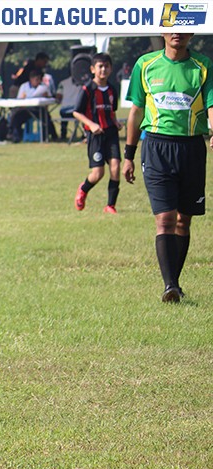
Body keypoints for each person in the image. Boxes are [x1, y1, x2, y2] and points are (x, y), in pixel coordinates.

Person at [123, 32, 213, 303]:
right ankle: (170, 285)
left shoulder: (203, 65)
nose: (177, 34)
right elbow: (136, 111)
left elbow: (212, 105)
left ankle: (175, 280)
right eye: (171, 28)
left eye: (183, 29)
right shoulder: (146, 65)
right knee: (165, 219)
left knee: (184, 221)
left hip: (191, 149)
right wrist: (128, 155)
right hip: (157, 148)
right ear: (162, 32)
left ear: (192, 33)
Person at [72, 54, 122, 215]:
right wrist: (92, 125)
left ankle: (110, 206)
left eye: (106, 66)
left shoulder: (113, 89)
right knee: (98, 173)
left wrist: (115, 122)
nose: (103, 69)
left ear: (111, 69)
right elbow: (76, 112)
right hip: (96, 136)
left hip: (111, 134)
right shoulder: (87, 89)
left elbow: (111, 111)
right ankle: (83, 189)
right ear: (93, 69)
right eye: (100, 66)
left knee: (115, 168)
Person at [7, 68, 51, 142]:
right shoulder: (24, 86)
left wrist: (46, 96)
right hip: (26, 109)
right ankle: (15, 136)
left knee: (46, 117)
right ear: (31, 79)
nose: (38, 81)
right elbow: (19, 100)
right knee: (16, 117)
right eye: (37, 79)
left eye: (40, 79)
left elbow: (50, 98)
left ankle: (46, 136)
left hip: (38, 109)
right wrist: (22, 98)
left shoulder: (43, 87)